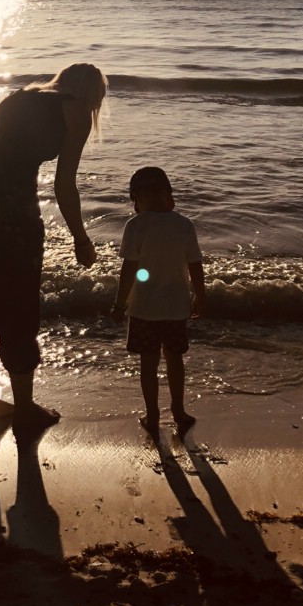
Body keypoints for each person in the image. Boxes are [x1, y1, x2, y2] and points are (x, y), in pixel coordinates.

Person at [0, 62, 107, 434]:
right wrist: (81, 239)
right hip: (9, 206)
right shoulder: (76, 112)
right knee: (19, 303)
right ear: (93, 94)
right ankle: (23, 408)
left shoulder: (23, 96)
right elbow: (64, 185)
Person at [111, 165, 205, 435]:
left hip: (144, 309)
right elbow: (195, 264)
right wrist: (200, 295)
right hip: (176, 307)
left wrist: (119, 304)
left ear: (137, 200)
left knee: (148, 363)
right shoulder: (184, 225)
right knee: (175, 360)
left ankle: (152, 415)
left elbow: (129, 270)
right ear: (168, 195)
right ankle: (178, 410)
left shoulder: (135, 226)